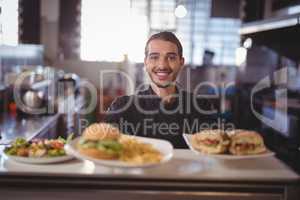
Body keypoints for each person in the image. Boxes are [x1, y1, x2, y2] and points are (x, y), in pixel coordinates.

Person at [105, 31, 217, 148]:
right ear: (146, 62)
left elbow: (216, 152)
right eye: (154, 57)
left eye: (171, 57)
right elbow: (103, 149)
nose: (162, 65)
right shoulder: (122, 108)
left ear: (181, 62)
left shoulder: (202, 107)